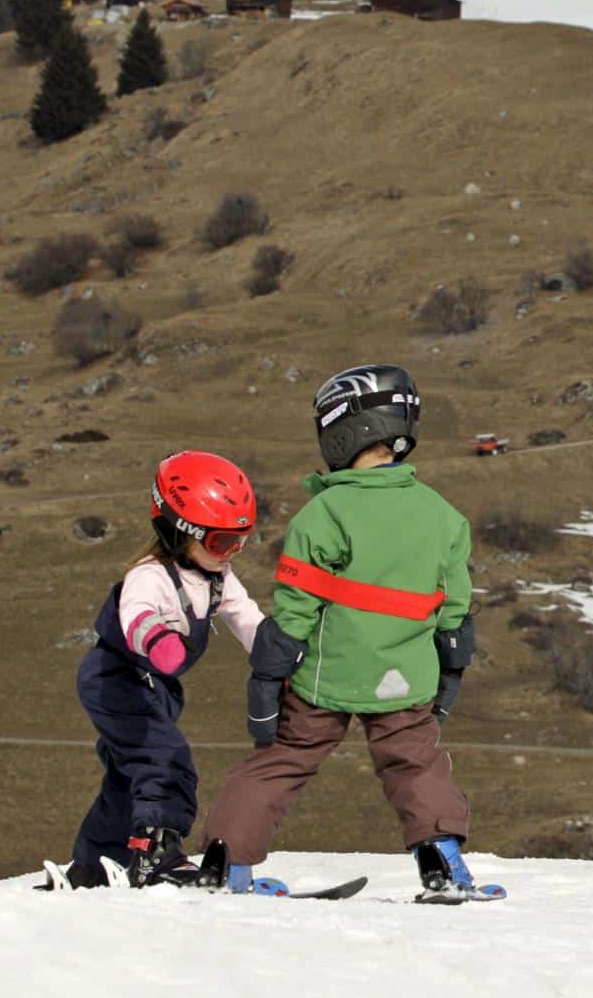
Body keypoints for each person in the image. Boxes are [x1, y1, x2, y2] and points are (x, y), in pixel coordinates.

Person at [198, 364, 488, 900]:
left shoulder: (323, 513)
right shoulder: (444, 517)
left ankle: (225, 864)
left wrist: (267, 679)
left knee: (283, 759)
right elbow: (455, 610)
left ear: (343, 431)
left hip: (322, 679)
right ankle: (444, 864)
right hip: (405, 678)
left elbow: (295, 612)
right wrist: (450, 672)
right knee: (416, 763)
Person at [46, 452, 265, 890]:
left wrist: (282, 657)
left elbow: (247, 618)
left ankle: (93, 865)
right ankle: (155, 856)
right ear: (180, 530)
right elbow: (137, 613)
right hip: (117, 679)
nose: (232, 553)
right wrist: (158, 640)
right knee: (164, 761)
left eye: (241, 540)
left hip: (155, 686)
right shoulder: (151, 576)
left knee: (129, 776)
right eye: (223, 542)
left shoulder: (218, 576)